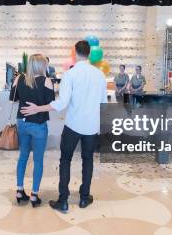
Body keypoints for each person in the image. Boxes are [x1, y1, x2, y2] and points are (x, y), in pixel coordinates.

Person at [21, 41, 107, 212]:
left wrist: (38, 108)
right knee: (88, 160)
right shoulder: (99, 75)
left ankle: (63, 200)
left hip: (73, 125)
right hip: (91, 126)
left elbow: (61, 103)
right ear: (89, 54)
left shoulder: (70, 74)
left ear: (75, 53)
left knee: (65, 160)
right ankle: (84, 198)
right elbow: (103, 103)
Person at [10, 54, 55, 208]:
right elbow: (51, 105)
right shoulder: (47, 81)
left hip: (21, 123)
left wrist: (16, 82)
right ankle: (34, 194)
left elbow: (13, 99)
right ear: (42, 66)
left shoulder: (20, 79)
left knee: (23, 157)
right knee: (38, 160)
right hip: (38, 125)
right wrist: (37, 108)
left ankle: (19, 190)